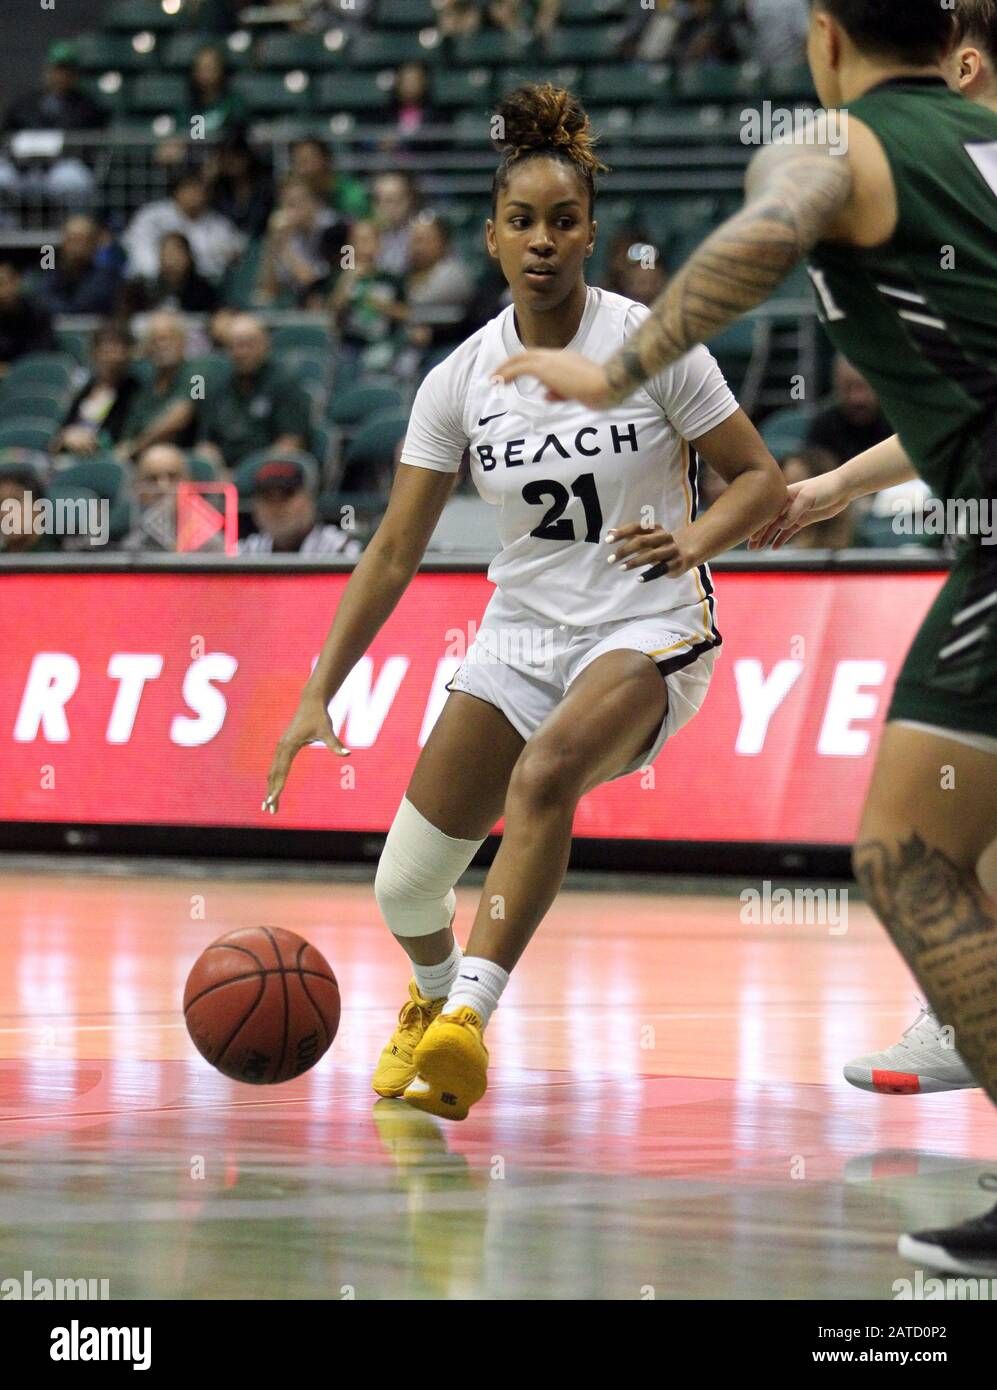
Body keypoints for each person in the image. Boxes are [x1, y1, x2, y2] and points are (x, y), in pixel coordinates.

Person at [491, 2, 997, 1274]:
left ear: (824, 37)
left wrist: (616, 371)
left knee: (908, 852)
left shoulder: (841, 143)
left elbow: (770, 229)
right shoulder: (984, 138)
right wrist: (851, 479)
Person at [263, 85, 784, 1124]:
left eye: (562, 220)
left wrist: (689, 541)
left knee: (546, 775)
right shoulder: (458, 378)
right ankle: (427, 994)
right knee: (405, 888)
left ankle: (467, 1019)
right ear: (492, 240)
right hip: (520, 636)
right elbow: (393, 549)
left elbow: (761, 480)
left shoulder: (656, 341)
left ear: (590, 230)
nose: (542, 240)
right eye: (521, 222)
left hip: (647, 626)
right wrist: (318, 687)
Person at [194, 313, 312, 470]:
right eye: (234, 346)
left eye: (249, 345)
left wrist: (246, 476)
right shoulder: (216, 384)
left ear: (265, 345)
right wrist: (218, 472)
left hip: (269, 474)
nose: (241, 352)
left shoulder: (285, 383)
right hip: (223, 474)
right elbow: (206, 443)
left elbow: (290, 443)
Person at [123, 171, 245, 284]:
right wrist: (169, 270)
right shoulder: (151, 215)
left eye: (201, 190)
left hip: (198, 287)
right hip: (151, 283)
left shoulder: (219, 224)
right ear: (177, 191)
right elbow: (139, 252)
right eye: (191, 189)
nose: (196, 194)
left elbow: (227, 259)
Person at [239, 452, 363, 556]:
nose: (277, 507)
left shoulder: (340, 549)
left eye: (286, 496)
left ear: (309, 500)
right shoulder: (245, 552)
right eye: (268, 498)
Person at [116, 311, 199, 463]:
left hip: (183, 456)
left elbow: (183, 414)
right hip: (142, 460)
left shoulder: (198, 376)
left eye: (168, 338)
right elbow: (130, 428)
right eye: (155, 340)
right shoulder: (145, 382)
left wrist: (136, 446)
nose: (162, 345)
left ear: (183, 341)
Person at [255, 176, 347, 308]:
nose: (287, 211)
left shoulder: (333, 229)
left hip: (331, 302)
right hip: (301, 304)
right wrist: (272, 242)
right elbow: (268, 290)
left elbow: (310, 280)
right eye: (284, 204)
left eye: (293, 203)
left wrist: (283, 246)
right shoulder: (290, 232)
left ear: (314, 203)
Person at [51, 325, 141, 457]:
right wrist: (66, 436)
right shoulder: (87, 388)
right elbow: (62, 429)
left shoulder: (133, 389)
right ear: (95, 353)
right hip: (71, 451)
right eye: (105, 350)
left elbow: (120, 434)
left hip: (101, 455)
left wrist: (89, 440)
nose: (111, 357)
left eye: (117, 350)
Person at [804, 354, 892, 466]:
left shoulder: (897, 423)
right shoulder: (823, 426)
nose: (857, 398)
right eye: (847, 387)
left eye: (863, 387)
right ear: (836, 386)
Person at [30, 215, 121, 317]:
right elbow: (42, 300)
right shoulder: (47, 271)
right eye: (72, 240)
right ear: (63, 242)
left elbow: (86, 305)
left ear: (94, 244)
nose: (77, 247)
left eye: (83, 240)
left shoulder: (107, 277)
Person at [122, 231, 219, 317]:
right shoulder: (145, 288)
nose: (170, 260)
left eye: (176, 253)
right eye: (166, 253)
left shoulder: (203, 290)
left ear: (188, 257)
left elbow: (210, 319)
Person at [289, 137, 369, 221]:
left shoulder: (350, 192)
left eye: (306, 161)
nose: (303, 170)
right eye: (298, 163)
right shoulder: (295, 195)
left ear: (326, 160)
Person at [0, 261, 56, 373]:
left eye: (3, 283)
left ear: (17, 281)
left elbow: (44, 351)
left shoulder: (38, 313)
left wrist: (13, 368)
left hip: (33, 375)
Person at [371, 171, 420, 277]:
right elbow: (346, 266)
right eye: (378, 200)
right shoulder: (365, 234)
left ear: (410, 200)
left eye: (390, 200)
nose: (383, 207)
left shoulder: (425, 236)